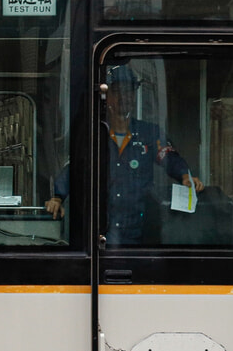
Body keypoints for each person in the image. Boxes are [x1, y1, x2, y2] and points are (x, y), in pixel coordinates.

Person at [45, 66, 202, 245]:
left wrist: (185, 175)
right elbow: (75, 168)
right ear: (107, 96)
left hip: (140, 232)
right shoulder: (95, 134)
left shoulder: (148, 133)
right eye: (117, 91)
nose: (124, 97)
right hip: (101, 233)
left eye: (129, 91)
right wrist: (57, 197)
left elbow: (168, 156)